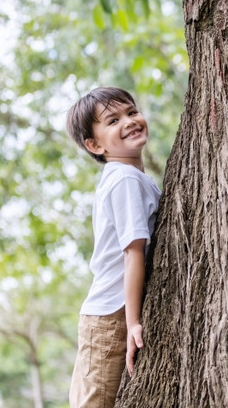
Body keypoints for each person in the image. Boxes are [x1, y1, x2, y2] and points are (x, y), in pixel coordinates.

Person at [65, 87, 161, 408]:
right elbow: (132, 253)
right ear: (95, 145)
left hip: (108, 312)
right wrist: (133, 322)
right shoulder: (124, 180)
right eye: (113, 120)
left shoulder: (131, 176)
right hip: (111, 315)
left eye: (132, 112)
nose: (129, 122)